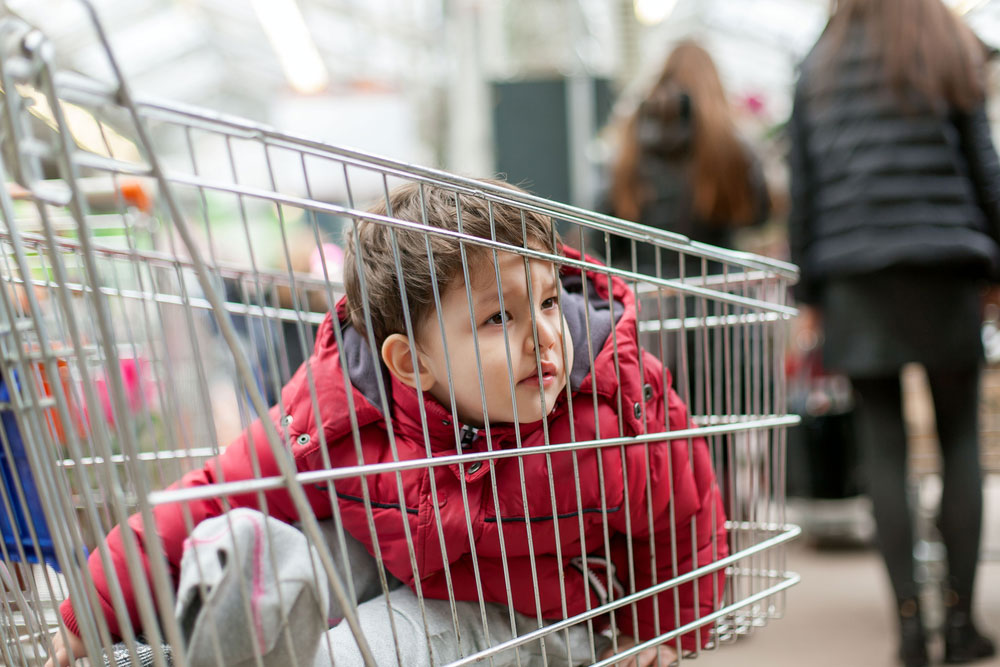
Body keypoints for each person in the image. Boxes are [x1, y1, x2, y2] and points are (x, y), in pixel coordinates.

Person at [47, 180, 728, 667]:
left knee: (385, 640)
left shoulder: (605, 404)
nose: (543, 337)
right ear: (410, 362)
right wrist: (89, 609)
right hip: (404, 557)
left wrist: (659, 629)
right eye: (500, 318)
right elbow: (216, 490)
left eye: (549, 300)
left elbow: (685, 504)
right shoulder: (338, 411)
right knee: (284, 539)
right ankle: (240, 610)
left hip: (542, 605)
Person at [787, 1, 999, 665]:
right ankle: (962, 624)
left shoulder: (818, 63)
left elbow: (805, 189)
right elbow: (984, 165)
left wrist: (809, 292)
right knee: (959, 435)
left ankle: (910, 625)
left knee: (883, 448)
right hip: (946, 266)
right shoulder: (948, 42)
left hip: (856, 274)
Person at [607, 39, 770, 277]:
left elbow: (606, 227)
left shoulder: (631, 138)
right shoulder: (728, 142)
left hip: (645, 293)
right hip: (717, 295)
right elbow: (758, 214)